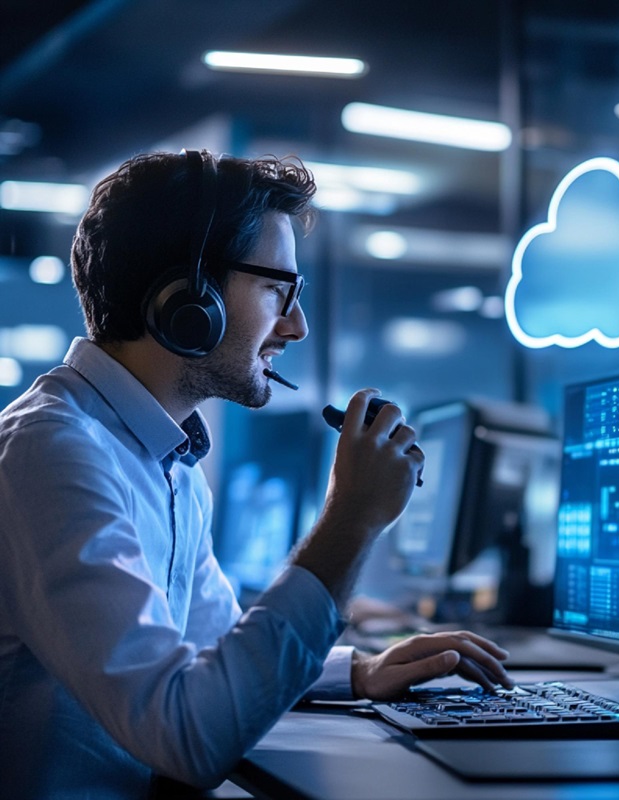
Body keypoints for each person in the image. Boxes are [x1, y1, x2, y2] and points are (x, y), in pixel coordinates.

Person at [0, 149, 512, 798]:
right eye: (278, 290)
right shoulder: (53, 452)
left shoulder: (167, 461)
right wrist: (350, 520)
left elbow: (211, 654)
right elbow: (190, 733)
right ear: (190, 299)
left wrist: (358, 672)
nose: (295, 326)